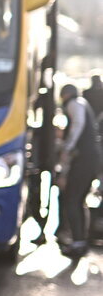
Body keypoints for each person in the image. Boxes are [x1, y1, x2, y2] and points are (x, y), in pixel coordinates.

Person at [56, 83, 102, 258]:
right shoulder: (83, 103)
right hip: (91, 159)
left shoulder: (74, 104)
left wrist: (67, 148)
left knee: (72, 200)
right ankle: (80, 241)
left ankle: (78, 243)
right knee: (79, 200)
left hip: (83, 160)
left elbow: (77, 125)